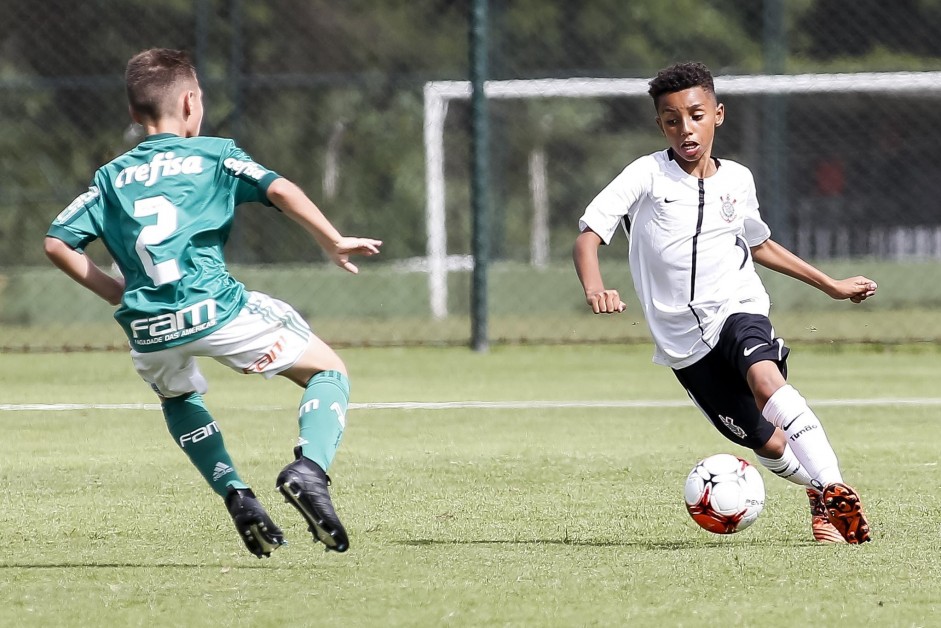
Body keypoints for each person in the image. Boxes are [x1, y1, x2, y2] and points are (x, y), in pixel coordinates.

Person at [44, 48, 381, 557]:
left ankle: (237, 495)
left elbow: (56, 242)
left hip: (148, 326)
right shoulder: (214, 154)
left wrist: (117, 291)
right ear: (190, 102)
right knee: (327, 371)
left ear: (134, 114)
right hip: (214, 309)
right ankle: (309, 470)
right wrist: (331, 240)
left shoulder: (112, 177)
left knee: (179, 399)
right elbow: (282, 190)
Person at [573, 61, 874, 544]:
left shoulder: (737, 180)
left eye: (695, 115)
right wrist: (594, 287)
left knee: (764, 376)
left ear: (718, 114)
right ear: (660, 125)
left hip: (737, 307)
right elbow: (588, 236)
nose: (684, 128)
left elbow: (758, 245)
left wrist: (830, 284)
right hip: (683, 346)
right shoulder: (645, 175)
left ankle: (836, 490)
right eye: (671, 120)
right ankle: (818, 490)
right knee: (767, 443)